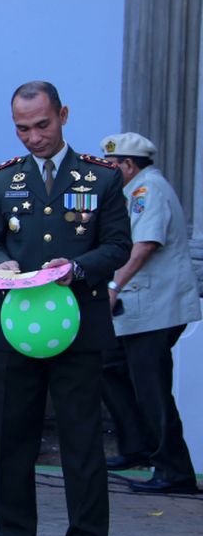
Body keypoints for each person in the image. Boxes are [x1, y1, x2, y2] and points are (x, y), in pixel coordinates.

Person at [0, 81, 131, 536]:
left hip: (77, 327)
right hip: (16, 329)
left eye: (42, 125)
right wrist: (1, 265)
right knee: (11, 438)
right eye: (23, 128)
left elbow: (118, 247)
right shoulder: (2, 180)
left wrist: (77, 268)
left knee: (81, 442)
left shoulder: (101, 177)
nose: (34, 137)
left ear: (62, 115)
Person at [98, 132, 199, 495]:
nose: (105, 170)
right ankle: (136, 445)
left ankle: (174, 471)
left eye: (110, 164)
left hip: (156, 309)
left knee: (151, 389)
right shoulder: (130, 191)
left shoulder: (148, 190)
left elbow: (144, 245)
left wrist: (113, 286)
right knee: (108, 365)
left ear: (128, 165)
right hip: (137, 310)